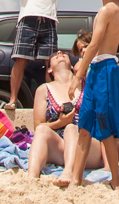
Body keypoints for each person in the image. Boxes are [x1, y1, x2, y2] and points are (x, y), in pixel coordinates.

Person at [64, 0, 119, 189]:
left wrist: (77, 77)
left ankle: (116, 179)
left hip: (100, 67)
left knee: (104, 127)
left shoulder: (106, 11)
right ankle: (76, 178)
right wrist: (117, 74)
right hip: (106, 67)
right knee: (86, 125)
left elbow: (93, 44)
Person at [5, 0, 73, 110]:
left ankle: (52, 101)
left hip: (49, 20)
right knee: (20, 60)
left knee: (50, 63)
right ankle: (13, 99)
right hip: (28, 18)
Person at [27, 48, 96, 178]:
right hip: (60, 145)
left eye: (65, 54)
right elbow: (38, 127)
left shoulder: (87, 82)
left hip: (87, 144)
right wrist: (60, 123)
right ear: (49, 69)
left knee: (71, 128)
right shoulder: (44, 90)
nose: (59, 53)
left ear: (71, 64)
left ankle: (69, 172)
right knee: (42, 130)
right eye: (54, 55)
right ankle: (32, 176)